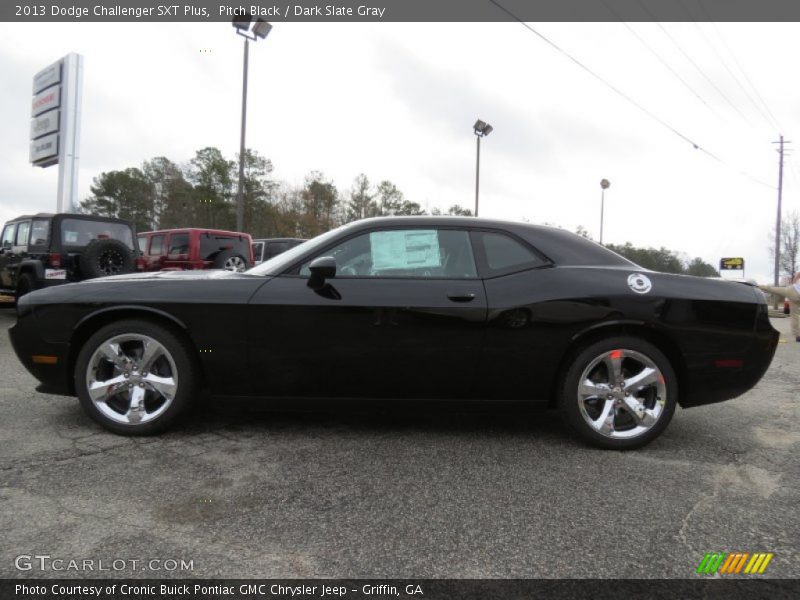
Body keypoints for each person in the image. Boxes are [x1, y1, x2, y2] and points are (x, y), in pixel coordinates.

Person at [759, 272, 800, 342]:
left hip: (792, 291)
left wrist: (794, 282)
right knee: (795, 315)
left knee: (771, 289)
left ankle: (797, 336)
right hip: (796, 295)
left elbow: (798, 274)